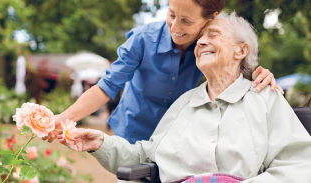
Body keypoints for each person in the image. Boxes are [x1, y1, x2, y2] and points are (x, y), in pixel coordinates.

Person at [58, 12, 311, 183]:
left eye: (213, 35)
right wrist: (101, 143)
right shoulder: (184, 103)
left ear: (241, 50)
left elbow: (297, 165)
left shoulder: (265, 99)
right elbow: (146, 156)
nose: (201, 42)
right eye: (200, 38)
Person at [44, 0, 283, 144]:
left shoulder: (209, 46)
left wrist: (259, 75)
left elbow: (236, 66)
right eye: (171, 14)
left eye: (187, 22)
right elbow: (106, 87)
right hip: (132, 131)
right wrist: (62, 119)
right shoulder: (142, 40)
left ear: (211, 18)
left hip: (177, 136)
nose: (175, 28)